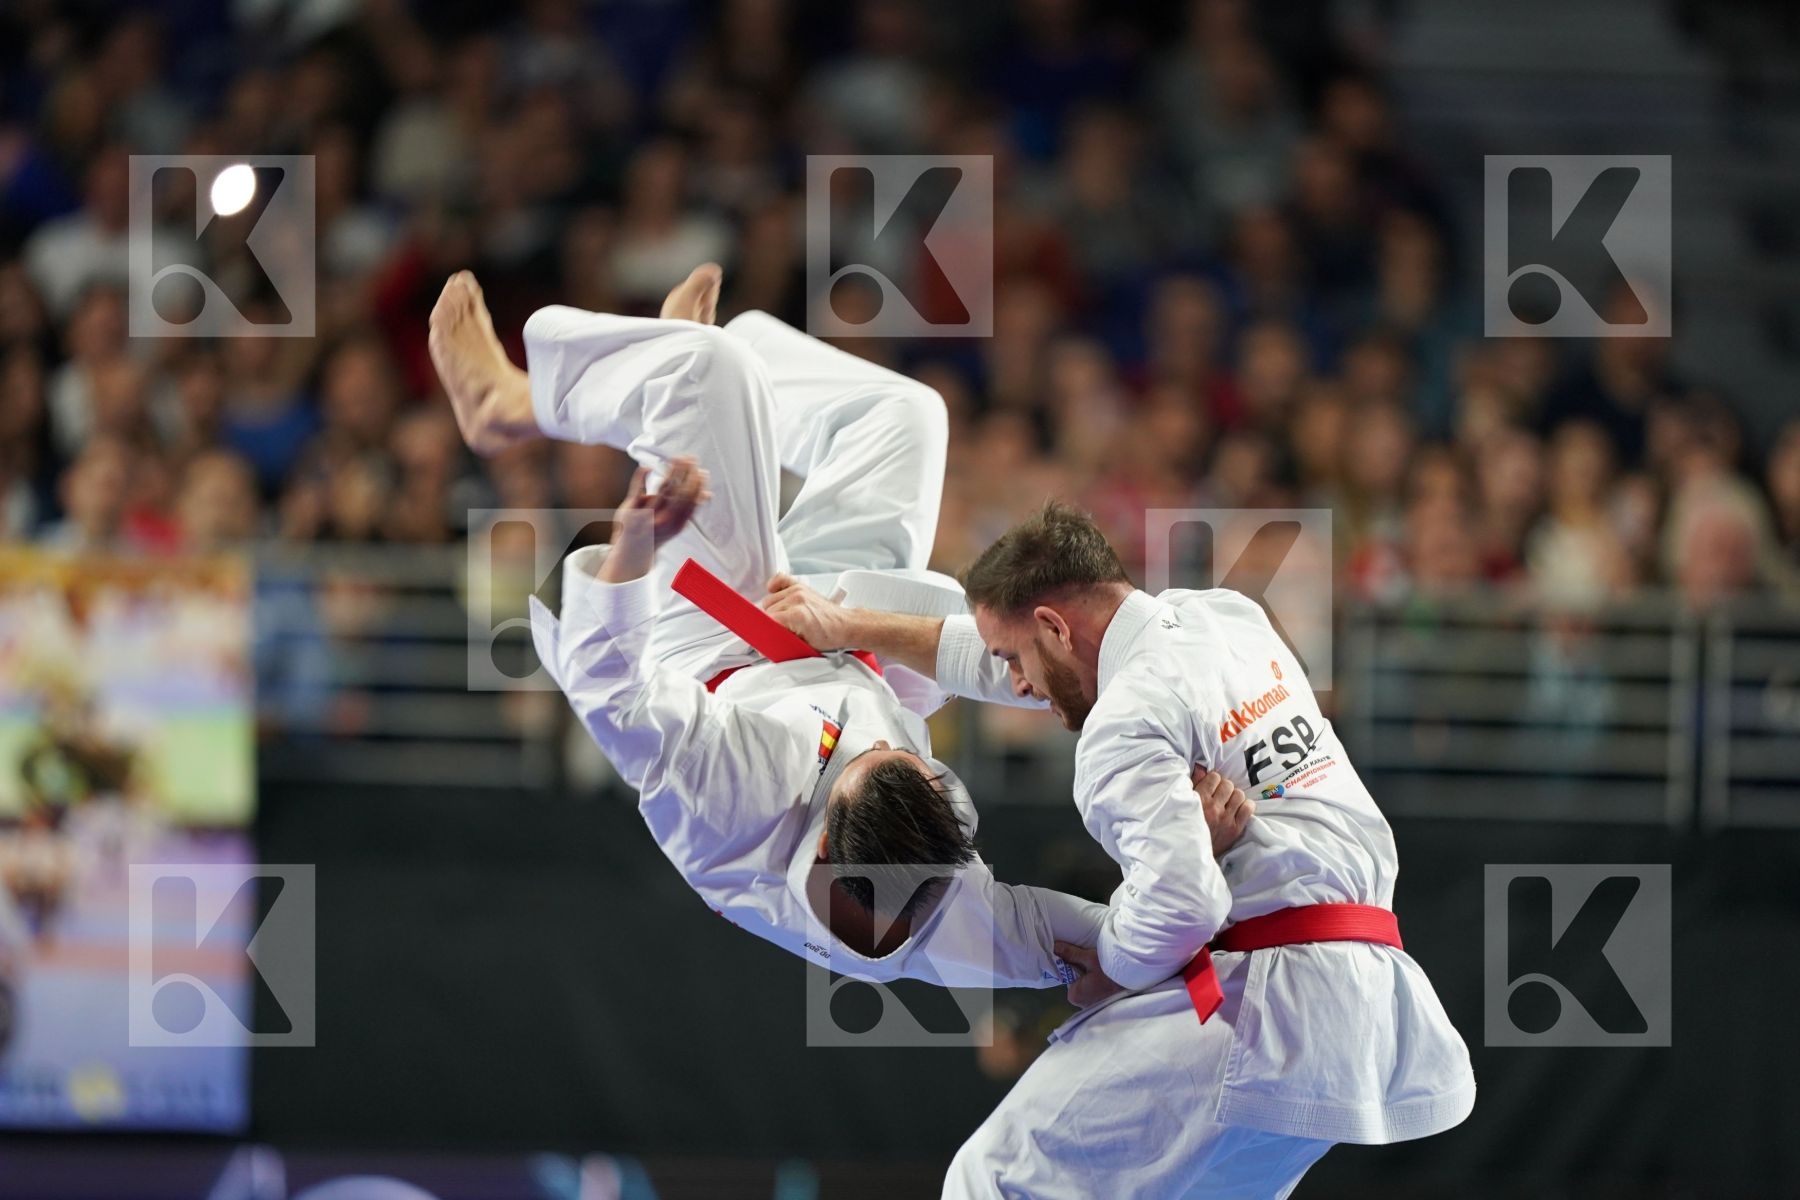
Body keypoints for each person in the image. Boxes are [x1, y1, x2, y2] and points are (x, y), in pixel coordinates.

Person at [427, 264, 1256, 994]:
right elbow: (1089, 945)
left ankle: (513, 401)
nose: (897, 749)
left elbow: (611, 692)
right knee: (905, 417)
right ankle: (682, 376)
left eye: (865, 762)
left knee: (704, 371)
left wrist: (636, 548)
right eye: (916, 763)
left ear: (824, 837)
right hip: (831, 640)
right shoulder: (940, 881)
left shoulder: (730, 795)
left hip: (703, 645)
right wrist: (1197, 857)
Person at [763, 500, 1477, 1198]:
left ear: (1053, 625)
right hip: (1360, 1008)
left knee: (995, 1179)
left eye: (1016, 657)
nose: (1014, 683)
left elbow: (1183, 905)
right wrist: (850, 625)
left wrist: (1108, 968)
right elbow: (1009, 665)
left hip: (1259, 1006)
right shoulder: (1230, 618)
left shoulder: (1121, 728)